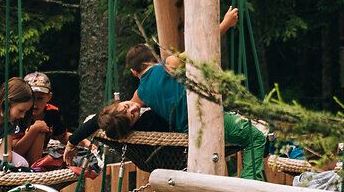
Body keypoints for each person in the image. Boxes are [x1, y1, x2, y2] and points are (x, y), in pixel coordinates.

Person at [94, 11, 267, 181]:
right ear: (154, 59)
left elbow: (119, 117)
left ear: (134, 72)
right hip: (210, 120)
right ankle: (250, 188)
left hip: (188, 135)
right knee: (256, 137)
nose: (132, 109)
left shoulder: (140, 94)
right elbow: (201, 48)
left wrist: (98, 124)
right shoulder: (168, 65)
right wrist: (226, 23)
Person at [11, 72, 63, 167]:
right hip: (16, 159)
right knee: (40, 130)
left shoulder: (53, 112)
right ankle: (34, 167)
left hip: (38, 155)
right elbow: (15, 151)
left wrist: (83, 140)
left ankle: (36, 164)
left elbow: (62, 136)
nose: (35, 103)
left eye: (40, 98)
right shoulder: (18, 114)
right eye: (31, 98)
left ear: (49, 97)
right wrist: (35, 129)